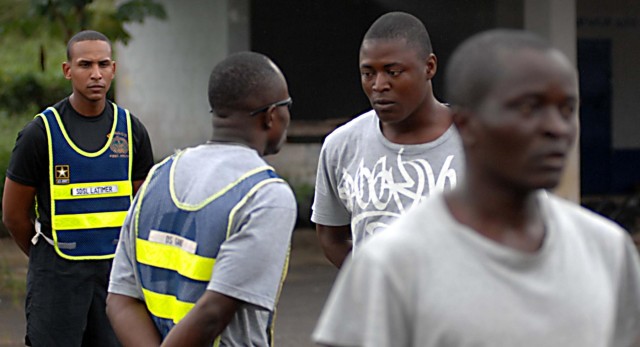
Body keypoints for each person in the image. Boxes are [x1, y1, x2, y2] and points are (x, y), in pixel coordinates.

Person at [313, 29, 640, 347]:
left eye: (567, 109)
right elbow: (331, 234)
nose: (555, 128)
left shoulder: (608, 251)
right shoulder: (390, 264)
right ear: (468, 125)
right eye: (528, 108)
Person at [105, 51, 297, 347]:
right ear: (272, 115)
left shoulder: (159, 176)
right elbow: (212, 313)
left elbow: (120, 299)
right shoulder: (266, 196)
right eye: (288, 105)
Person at [1, 30, 154, 346]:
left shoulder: (131, 130)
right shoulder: (40, 132)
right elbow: (14, 215)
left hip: (115, 278)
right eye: (85, 64)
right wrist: (47, 258)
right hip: (57, 277)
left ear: (113, 68)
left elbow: (144, 210)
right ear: (68, 70)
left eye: (103, 64)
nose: (95, 74)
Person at [311, 11, 464, 268]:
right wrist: (374, 284)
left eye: (393, 72)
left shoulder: (478, 142)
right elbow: (330, 236)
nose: (379, 85)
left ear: (429, 67)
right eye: (368, 73)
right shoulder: (341, 146)